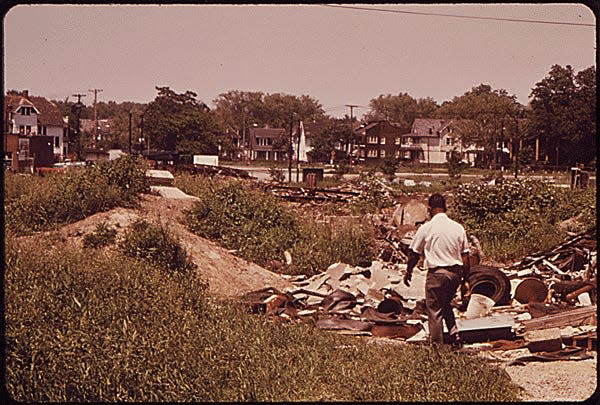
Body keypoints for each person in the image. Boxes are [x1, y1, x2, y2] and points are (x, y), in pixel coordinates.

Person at [403, 193, 470, 347]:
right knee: (445, 304)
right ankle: (455, 334)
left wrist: (409, 271)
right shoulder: (458, 227)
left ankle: (437, 348)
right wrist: (465, 280)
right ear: (445, 207)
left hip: (437, 274)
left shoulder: (427, 228)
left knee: (434, 311)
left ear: (429, 209)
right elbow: (465, 256)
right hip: (455, 274)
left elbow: (414, 253)